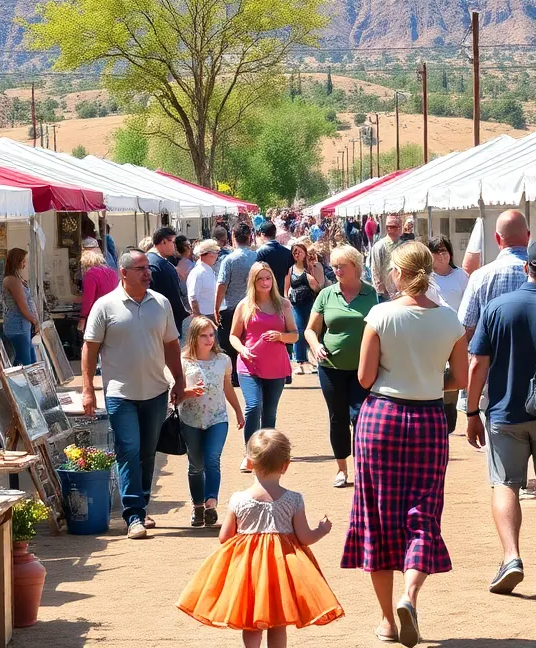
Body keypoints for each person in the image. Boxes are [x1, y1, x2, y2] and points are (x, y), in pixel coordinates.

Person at [343, 242, 468, 647]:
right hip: (428, 419)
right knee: (423, 513)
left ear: (397, 272)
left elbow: (364, 378)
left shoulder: (381, 314)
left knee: (377, 515)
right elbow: (460, 378)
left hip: (381, 418)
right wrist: (427, 377)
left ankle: (387, 621)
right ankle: (409, 597)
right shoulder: (449, 319)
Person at [465, 240, 536, 595]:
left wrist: (472, 411)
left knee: (505, 484)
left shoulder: (496, 307)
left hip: (504, 412)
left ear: (527, 268)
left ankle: (511, 556)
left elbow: (477, 364)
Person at [176, 429, 343, 645]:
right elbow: (304, 538)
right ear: (286, 465)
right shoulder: (293, 500)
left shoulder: (239, 499)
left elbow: (225, 537)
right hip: (282, 570)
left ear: (249, 462)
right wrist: (322, 529)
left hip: (248, 569)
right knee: (279, 621)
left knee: (251, 620)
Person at [82, 248, 187, 540]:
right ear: (124, 273)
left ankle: (142, 504)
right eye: (140, 268)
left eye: (147, 268)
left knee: (147, 452)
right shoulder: (105, 306)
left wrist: (179, 379)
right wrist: (88, 388)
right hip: (120, 393)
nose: (147, 273)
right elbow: (90, 348)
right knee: (128, 449)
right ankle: (134, 516)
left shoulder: (161, 303)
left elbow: (171, 345)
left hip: (156, 391)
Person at [305, 244, 378, 488]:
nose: (336, 270)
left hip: (363, 368)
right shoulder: (327, 294)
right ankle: (341, 469)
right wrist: (316, 346)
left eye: (341, 266)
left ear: (355, 266)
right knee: (338, 417)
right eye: (334, 266)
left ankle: (362, 468)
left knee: (360, 417)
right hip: (331, 367)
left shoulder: (372, 294)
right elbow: (310, 330)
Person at [459, 210, 536, 342]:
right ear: (528, 236)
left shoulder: (480, 277)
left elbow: (466, 328)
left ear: (497, 238)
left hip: (495, 354)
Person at [179, 316, 244, 528]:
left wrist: (238, 411)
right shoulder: (183, 362)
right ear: (193, 337)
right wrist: (188, 392)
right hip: (190, 419)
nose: (209, 340)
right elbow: (174, 395)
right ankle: (198, 506)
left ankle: (211, 503)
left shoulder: (223, 360)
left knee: (212, 459)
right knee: (196, 465)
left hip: (217, 418)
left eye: (211, 335)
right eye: (203, 336)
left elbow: (227, 387)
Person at [230, 263, 297, 464]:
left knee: (269, 412)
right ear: (253, 281)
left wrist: (281, 336)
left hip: (276, 366)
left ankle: (267, 455)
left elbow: (294, 335)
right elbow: (234, 336)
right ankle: (249, 454)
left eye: (268, 278)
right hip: (249, 365)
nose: (265, 282)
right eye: (260, 279)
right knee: (253, 406)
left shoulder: (283, 304)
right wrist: (242, 349)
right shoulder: (244, 305)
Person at [426, 236, 469, 433]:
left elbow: (469, 304)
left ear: (450, 254)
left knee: (453, 376)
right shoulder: (426, 278)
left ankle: (449, 416)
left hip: (457, 335)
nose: (440, 256)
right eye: (436, 252)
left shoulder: (461, 276)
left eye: (444, 251)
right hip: (432, 336)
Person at [216, 223, 258, 372]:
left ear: (233, 236)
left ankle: (235, 374)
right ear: (249, 237)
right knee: (250, 342)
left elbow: (221, 285)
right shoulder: (257, 257)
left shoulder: (229, 260)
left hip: (232, 309)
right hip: (253, 308)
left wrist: (216, 308)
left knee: (230, 344)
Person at [286, 240, 323, 375]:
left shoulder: (312, 267)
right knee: (299, 331)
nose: (297, 254)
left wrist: (311, 272)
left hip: (311, 303)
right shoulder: (290, 269)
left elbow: (318, 286)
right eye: (294, 252)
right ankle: (300, 362)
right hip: (296, 305)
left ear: (305, 253)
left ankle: (315, 360)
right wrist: (287, 301)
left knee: (313, 330)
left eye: (299, 252)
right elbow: (286, 288)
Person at [148, 226, 189, 337]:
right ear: (164, 242)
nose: (175, 246)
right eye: (173, 242)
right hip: (166, 322)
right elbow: (171, 297)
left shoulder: (152, 261)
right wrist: (182, 313)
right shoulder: (159, 265)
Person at [2, 247, 40, 366]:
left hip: (22, 325)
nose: (25, 264)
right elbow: (23, 306)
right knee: (25, 362)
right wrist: (35, 321)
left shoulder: (17, 279)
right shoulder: (13, 280)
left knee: (30, 360)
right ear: (17, 262)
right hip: (18, 326)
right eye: (23, 261)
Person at [77, 239, 119, 332]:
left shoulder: (90, 275)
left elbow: (88, 299)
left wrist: (83, 317)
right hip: (114, 314)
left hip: (99, 317)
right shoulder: (112, 272)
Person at [255, 222, 294, 297]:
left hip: (266, 294)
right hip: (281, 294)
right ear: (275, 233)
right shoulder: (287, 252)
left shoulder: (260, 252)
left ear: (262, 234)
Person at [367, 215, 402, 300]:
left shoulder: (403, 245)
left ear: (399, 228)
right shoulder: (379, 246)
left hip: (401, 289)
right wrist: (380, 289)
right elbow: (375, 268)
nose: (389, 229)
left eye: (393, 227)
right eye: (388, 227)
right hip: (385, 292)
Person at [187, 240, 221, 327]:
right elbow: (193, 297)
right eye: (216, 253)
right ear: (210, 254)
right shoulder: (198, 272)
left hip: (212, 314)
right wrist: (199, 318)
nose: (216, 256)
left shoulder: (208, 270)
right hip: (205, 316)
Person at [174, 235, 195, 306]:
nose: (191, 248)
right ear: (186, 247)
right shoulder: (187, 264)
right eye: (190, 246)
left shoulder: (177, 262)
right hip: (189, 297)